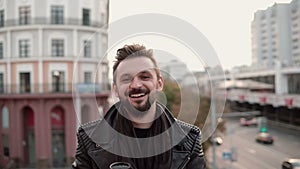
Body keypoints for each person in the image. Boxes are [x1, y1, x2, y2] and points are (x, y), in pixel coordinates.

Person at [72, 44, 206, 169]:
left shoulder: (189, 140)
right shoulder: (89, 139)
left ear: (159, 84)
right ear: (116, 89)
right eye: (126, 79)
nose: (136, 85)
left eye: (145, 77)